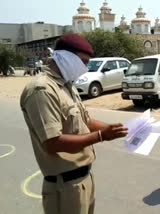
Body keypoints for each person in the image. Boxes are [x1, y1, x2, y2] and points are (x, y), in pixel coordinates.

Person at [20, 33, 128, 214]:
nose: (86, 68)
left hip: (83, 180)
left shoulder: (66, 85)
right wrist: (101, 136)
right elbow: (52, 143)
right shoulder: (42, 90)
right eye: (83, 62)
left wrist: (119, 130)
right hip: (65, 186)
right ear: (66, 57)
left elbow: (84, 121)